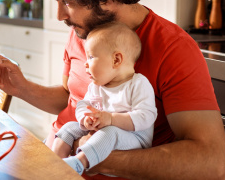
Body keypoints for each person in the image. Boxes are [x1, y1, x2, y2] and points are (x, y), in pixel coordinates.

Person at [0, 0, 225, 179]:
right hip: (53, 158)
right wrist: (22, 88)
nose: (60, 15)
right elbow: (70, 97)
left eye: (67, 2)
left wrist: (96, 157)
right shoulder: (82, 30)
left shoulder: (173, 48)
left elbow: (213, 164)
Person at [52, 22, 157, 176]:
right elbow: (84, 104)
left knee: (110, 132)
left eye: (91, 57)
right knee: (69, 127)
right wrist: (85, 118)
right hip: (101, 129)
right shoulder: (97, 85)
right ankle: (54, 163)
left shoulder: (138, 83)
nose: (85, 64)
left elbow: (147, 116)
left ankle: (79, 163)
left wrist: (111, 119)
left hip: (134, 138)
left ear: (116, 60)